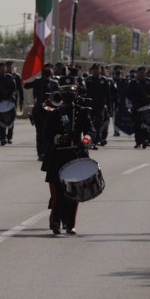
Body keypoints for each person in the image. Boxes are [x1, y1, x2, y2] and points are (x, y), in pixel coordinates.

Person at [41, 78, 94, 235]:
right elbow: (45, 135)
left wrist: (85, 140)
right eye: (66, 93)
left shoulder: (82, 111)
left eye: (72, 92)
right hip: (58, 155)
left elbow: (91, 131)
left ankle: (70, 224)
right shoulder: (54, 113)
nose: (69, 96)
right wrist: (57, 138)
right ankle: (56, 221)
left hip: (76, 155)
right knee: (57, 193)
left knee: (74, 192)